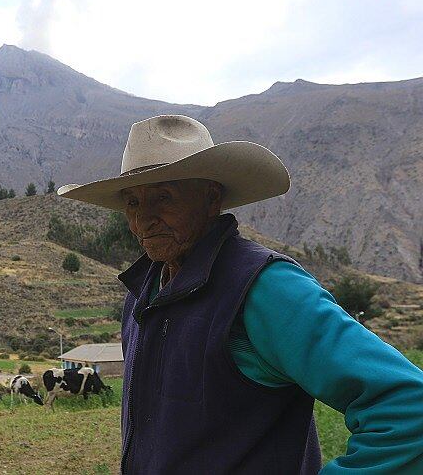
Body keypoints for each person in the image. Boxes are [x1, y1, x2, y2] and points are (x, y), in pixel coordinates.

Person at [58, 115, 423, 474]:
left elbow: (408, 407)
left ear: (210, 198)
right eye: (133, 203)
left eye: (163, 197)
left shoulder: (264, 288)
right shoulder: (142, 296)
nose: (143, 220)